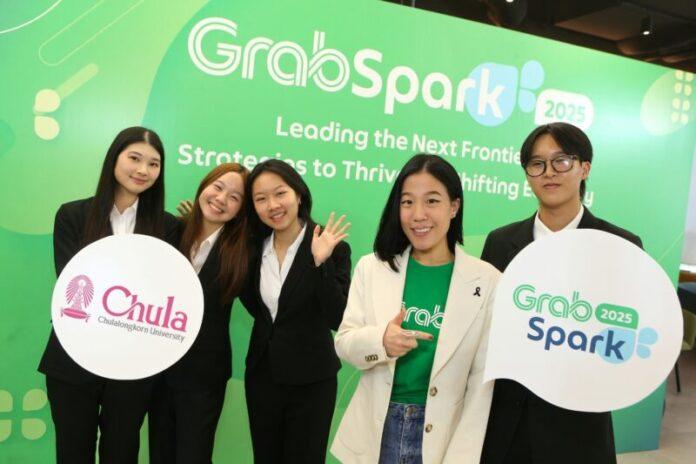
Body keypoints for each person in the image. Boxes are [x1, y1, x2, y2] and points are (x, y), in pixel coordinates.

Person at [480, 122, 642, 464]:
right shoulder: (500, 242)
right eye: (537, 164)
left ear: (585, 168)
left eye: (561, 161)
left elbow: (627, 336)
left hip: (579, 426)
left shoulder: (621, 246)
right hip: (507, 423)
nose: (549, 172)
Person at [331, 154, 500, 464]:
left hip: (441, 434)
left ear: (454, 206)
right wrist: (381, 341)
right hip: (376, 430)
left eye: (432, 201)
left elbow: (481, 381)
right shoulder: (373, 267)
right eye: (407, 202)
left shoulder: (487, 280)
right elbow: (344, 343)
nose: (418, 214)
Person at [38, 126, 179, 464]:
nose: (143, 170)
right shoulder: (73, 215)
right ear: (114, 159)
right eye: (135, 158)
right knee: (73, 452)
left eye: (154, 164)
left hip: (133, 363)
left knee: (122, 452)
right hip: (74, 357)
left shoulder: (168, 227)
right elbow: (73, 284)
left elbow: (164, 291)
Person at [240, 159, 351, 463]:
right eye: (261, 199)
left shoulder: (331, 245)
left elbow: (338, 318)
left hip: (312, 381)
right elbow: (259, 309)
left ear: (298, 194)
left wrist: (320, 263)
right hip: (263, 377)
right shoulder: (252, 247)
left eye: (280, 194)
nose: (272, 205)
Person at [148, 163, 249, 464]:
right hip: (159, 366)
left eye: (234, 197)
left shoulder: (243, 251)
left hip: (204, 373)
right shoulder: (171, 231)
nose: (221, 199)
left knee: (195, 455)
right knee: (160, 453)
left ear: (241, 210)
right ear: (204, 186)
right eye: (217, 187)